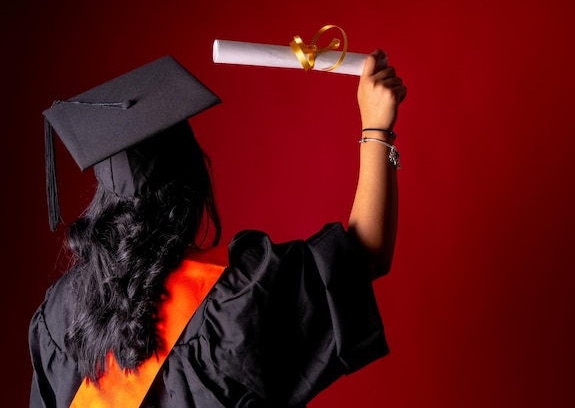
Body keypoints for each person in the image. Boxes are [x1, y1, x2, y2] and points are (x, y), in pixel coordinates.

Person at [29, 48, 406, 408]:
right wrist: (377, 127)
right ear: (193, 188)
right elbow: (363, 257)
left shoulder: (60, 314)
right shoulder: (236, 299)